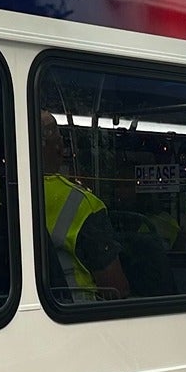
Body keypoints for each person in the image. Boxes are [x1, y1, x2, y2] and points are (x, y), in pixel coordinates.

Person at [41, 115, 130, 302]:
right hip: (79, 315)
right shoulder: (83, 203)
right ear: (59, 148)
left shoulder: (1, 193)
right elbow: (115, 289)